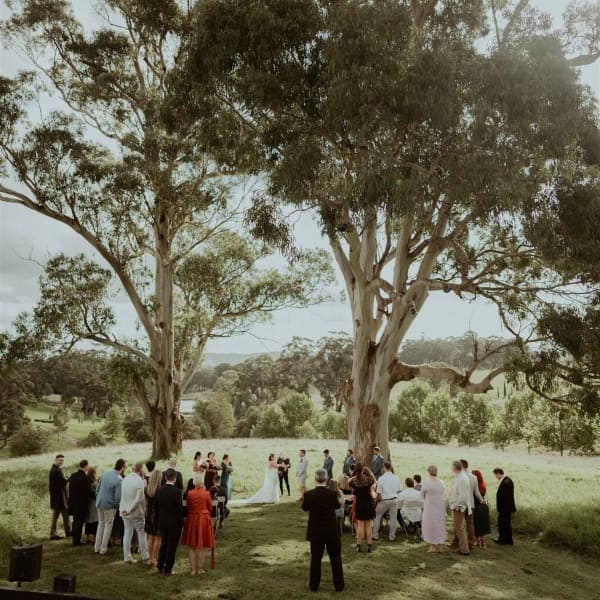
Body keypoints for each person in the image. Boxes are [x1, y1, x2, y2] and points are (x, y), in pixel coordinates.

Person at [302, 469, 344, 593]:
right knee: (335, 558)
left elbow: (304, 508)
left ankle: (314, 585)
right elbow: (337, 506)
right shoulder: (332, 494)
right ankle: (339, 585)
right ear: (325, 479)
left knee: (315, 558)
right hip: (331, 531)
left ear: (315, 479)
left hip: (316, 532)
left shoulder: (309, 494)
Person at [181, 472, 215, 575]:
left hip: (192, 519)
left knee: (192, 546)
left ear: (194, 482)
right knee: (201, 546)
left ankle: (193, 570)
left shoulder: (190, 493)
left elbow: (188, 507)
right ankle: (200, 569)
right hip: (203, 519)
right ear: (202, 482)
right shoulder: (207, 493)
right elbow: (210, 507)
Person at [155, 468, 185, 575]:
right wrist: (181, 522)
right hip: (174, 523)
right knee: (172, 547)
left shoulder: (159, 490)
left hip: (162, 521)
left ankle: (160, 565)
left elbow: (157, 507)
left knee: (164, 544)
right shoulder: (177, 492)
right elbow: (179, 510)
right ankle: (168, 568)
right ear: (175, 479)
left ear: (165, 477)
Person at [95, 458, 126, 555]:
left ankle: (97, 548)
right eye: (125, 467)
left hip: (99, 502)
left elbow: (97, 489)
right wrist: (117, 507)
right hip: (109, 505)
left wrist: (98, 499)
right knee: (108, 526)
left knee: (101, 525)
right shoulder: (119, 480)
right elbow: (118, 497)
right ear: (122, 468)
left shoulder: (105, 474)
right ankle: (103, 549)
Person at [120, 463, 149, 564]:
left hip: (124, 509)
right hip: (134, 512)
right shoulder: (139, 481)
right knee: (141, 533)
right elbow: (138, 499)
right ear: (140, 470)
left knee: (127, 533)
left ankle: (127, 557)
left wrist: (126, 509)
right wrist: (129, 509)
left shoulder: (125, 479)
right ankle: (145, 556)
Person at [349, 464, 376, 552]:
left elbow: (349, 481)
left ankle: (358, 546)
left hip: (360, 504)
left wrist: (353, 475)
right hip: (368, 503)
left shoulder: (354, 481)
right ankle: (369, 546)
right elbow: (374, 481)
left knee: (360, 526)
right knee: (368, 526)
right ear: (362, 470)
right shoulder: (368, 480)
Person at [372, 461, 401, 542]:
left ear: (384, 468)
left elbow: (379, 493)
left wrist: (377, 502)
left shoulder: (381, 479)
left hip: (384, 500)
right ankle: (392, 536)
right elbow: (399, 491)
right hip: (394, 500)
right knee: (393, 519)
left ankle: (375, 535)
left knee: (377, 516)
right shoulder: (396, 478)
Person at [421, 465, 446, 553]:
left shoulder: (426, 483)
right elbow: (443, 493)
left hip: (430, 506)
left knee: (430, 524)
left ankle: (433, 545)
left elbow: (421, 495)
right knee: (439, 524)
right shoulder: (441, 482)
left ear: (429, 472)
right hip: (439, 505)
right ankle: (440, 545)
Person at [448, 460, 471, 556]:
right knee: (459, 528)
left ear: (455, 468)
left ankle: (464, 549)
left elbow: (463, 495)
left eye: (451, 466)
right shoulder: (459, 477)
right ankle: (461, 547)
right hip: (457, 506)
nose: (451, 468)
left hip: (459, 507)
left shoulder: (462, 478)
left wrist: (455, 505)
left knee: (460, 528)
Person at [460, 459, 484, 549]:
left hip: (461, 504)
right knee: (470, 524)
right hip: (471, 504)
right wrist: (482, 501)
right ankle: (471, 543)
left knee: (459, 525)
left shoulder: (459, 476)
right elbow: (477, 492)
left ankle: (459, 543)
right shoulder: (474, 477)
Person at [68, 459, 91, 546]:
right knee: (79, 523)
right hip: (81, 504)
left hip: (73, 502)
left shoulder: (73, 475)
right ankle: (77, 541)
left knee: (75, 521)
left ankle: (75, 539)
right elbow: (88, 492)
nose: (88, 467)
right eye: (88, 466)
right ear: (85, 466)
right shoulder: (84, 478)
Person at [49, 454, 71, 540]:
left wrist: (64, 478)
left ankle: (53, 533)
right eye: (60, 460)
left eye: (62, 460)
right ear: (56, 460)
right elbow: (62, 482)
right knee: (65, 514)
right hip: (59, 498)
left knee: (57, 515)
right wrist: (68, 478)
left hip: (57, 497)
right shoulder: (56, 470)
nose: (61, 462)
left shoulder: (56, 469)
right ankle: (67, 532)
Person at [493, 467, 516, 546]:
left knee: (503, 524)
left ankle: (503, 540)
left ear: (499, 473)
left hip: (505, 508)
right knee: (506, 524)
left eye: (496, 475)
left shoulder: (506, 482)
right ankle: (508, 540)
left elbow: (506, 497)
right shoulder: (507, 481)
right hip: (506, 508)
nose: (496, 477)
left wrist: (500, 508)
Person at [144, 469, 162, 566]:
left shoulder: (147, 489)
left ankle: (150, 558)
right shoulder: (160, 490)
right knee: (157, 538)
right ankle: (155, 558)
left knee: (150, 537)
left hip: (149, 514)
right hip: (158, 516)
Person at [472, 469, 491, 548]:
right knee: (483, 524)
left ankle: (477, 541)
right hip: (483, 506)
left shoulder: (474, 486)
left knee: (476, 524)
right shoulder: (483, 485)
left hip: (477, 506)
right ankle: (483, 542)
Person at [85, 467, 99, 544]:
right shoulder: (94, 483)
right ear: (93, 473)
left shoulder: (87, 481)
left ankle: (87, 537)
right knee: (94, 520)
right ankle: (93, 537)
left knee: (88, 520)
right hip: (93, 502)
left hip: (88, 502)